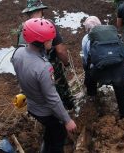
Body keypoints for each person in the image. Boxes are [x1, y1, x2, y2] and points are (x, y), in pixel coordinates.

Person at [11, 18, 77, 153]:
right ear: (41, 41)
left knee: (51, 131)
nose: (52, 41)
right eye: (50, 39)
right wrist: (67, 120)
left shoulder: (18, 53)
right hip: (46, 111)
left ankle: (45, 148)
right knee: (59, 136)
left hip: (32, 106)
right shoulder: (43, 67)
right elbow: (52, 99)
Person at [18, 0, 74, 110]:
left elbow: (20, 51)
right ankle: (69, 108)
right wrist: (66, 64)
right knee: (60, 88)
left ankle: (48, 111)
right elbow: (60, 50)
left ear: (28, 12)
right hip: (51, 68)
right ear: (41, 10)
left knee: (41, 91)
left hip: (31, 68)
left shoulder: (22, 28)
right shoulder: (48, 24)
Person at [81, 16, 124, 118]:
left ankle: (92, 95)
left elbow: (86, 59)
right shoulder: (114, 35)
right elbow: (122, 54)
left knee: (87, 66)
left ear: (87, 28)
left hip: (99, 73)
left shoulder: (86, 38)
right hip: (118, 73)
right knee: (122, 86)